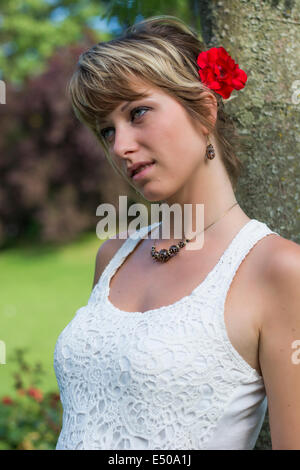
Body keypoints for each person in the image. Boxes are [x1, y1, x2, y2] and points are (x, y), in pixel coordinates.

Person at [53, 15, 300, 450]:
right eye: (107, 129)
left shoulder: (277, 270)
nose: (119, 146)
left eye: (138, 113)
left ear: (204, 110)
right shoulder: (113, 258)